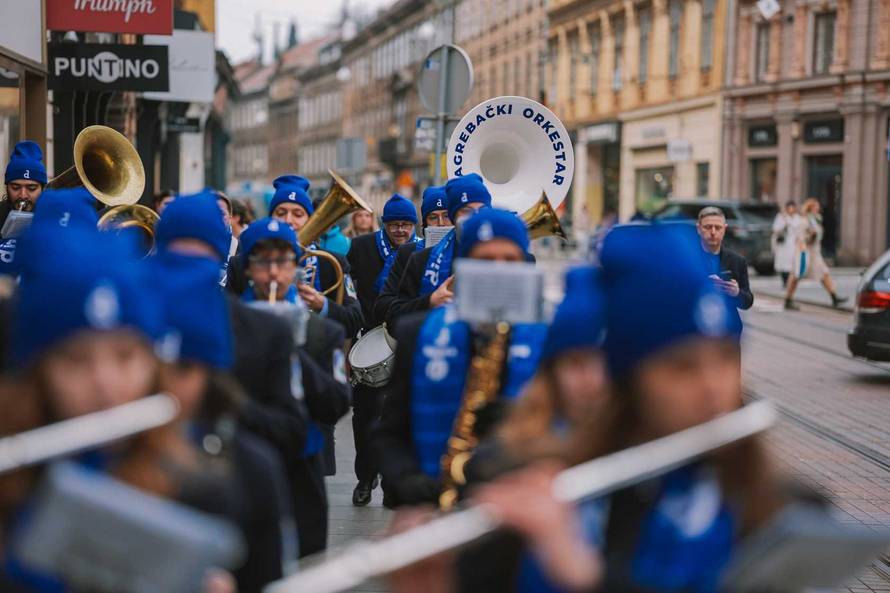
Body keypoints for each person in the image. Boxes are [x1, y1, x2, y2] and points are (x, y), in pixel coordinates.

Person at [473, 223, 799, 593]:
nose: (712, 386)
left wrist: (588, 578)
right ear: (632, 380)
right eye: (682, 367)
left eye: (724, 357)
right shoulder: (577, 490)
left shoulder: (779, 507)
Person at [1, 229, 244, 593]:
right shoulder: (10, 487)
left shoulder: (197, 487)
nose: (105, 384)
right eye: (75, 359)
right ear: (38, 372)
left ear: (154, 364)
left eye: (126, 356)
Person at [373, 208, 546, 509]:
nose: (498, 271)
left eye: (510, 260)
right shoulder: (417, 332)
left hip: (520, 505)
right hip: (435, 502)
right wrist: (407, 482)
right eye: (485, 260)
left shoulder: (549, 337)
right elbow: (390, 431)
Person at [237, 216, 351, 555]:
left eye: (283, 261)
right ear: (248, 268)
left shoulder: (322, 331)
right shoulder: (228, 324)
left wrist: (290, 350)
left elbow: (336, 403)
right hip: (244, 464)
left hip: (302, 464)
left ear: (295, 267)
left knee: (305, 556)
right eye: (262, 262)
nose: (273, 273)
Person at [346, 193, 420, 506]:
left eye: (406, 224)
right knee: (364, 416)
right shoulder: (361, 247)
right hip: (368, 341)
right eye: (394, 224)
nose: (400, 230)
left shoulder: (422, 251)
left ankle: (392, 482)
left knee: (397, 416)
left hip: (403, 342)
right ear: (384, 224)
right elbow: (349, 292)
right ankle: (365, 476)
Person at [226, 175, 363, 338]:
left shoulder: (334, 263)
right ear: (271, 218)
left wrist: (322, 304)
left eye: (298, 214)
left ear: (309, 219)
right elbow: (224, 316)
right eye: (281, 213)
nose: (288, 220)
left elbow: (355, 321)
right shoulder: (241, 263)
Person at [386, 174, 492, 325]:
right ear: (454, 217)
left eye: (483, 209)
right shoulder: (420, 260)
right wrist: (430, 301)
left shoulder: (509, 257)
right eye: (466, 210)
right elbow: (393, 317)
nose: (476, 216)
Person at [373, 185, 450, 329]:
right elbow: (382, 306)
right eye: (433, 217)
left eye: (446, 216)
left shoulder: (469, 252)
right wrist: (427, 301)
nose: (441, 223)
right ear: (425, 223)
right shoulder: (408, 253)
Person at [784, 198, 847, 310]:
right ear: (810, 208)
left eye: (818, 206)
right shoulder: (805, 221)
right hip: (806, 253)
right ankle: (788, 299)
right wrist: (809, 237)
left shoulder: (816, 220)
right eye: (815, 207)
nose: (818, 208)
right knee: (796, 276)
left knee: (824, 273)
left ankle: (834, 297)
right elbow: (800, 238)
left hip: (815, 253)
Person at [696, 206, 753, 322]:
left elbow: (748, 302)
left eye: (718, 228)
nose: (713, 232)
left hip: (727, 327)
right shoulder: (687, 258)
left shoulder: (737, 261)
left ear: (725, 229)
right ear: (698, 228)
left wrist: (736, 293)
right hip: (695, 326)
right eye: (708, 227)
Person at [1, 142, 46, 230]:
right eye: (15, 188)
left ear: (42, 188)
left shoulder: (53, 219)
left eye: (31, 188)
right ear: (7, 187)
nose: (23, 195)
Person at [771, 201, 799, 287]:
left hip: (793, 243)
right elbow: (775, 228)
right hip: (783, 243)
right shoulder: (781, 217)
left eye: (792, 208)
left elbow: (799, 229)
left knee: (792, 262)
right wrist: (784, 223)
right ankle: (785, 280)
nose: (791, 210)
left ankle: (790, 281)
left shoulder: (797, 217)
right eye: (789, 208)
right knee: (783, 263)